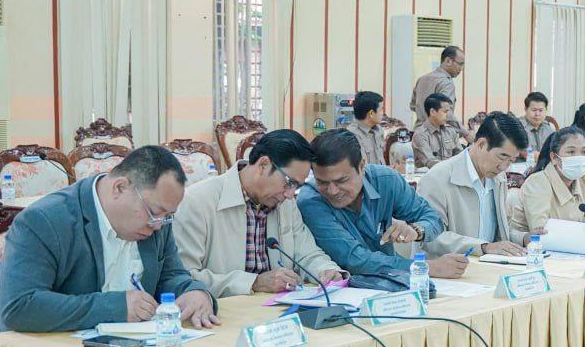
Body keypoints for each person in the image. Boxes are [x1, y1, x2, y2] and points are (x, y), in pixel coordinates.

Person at [0, 146, 218, 347]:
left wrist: (194, 291)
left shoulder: (155, 224)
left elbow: (170, 275)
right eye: (155, 213)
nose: (158, 225)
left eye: (167, 217)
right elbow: (19, 306)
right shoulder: (44, 220)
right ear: (120, 188)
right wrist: (115, 306)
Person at [174, 129, 345, 298]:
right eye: (289, 182)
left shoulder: (285, 203)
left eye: (297, 186)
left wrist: (326, 270)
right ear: (263, 165)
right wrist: (253, 282)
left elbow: (307, 253)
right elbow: (183, 277)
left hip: (278, 308)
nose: (290, 194)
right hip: (224, 310)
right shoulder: (197, 202)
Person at [298, 128, 466, 280]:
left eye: (341, 181)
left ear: (362, 166)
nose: (332, 191)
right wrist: (425, 267)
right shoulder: (311, 201)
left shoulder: (386, 181)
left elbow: (434, 219)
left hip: (394, 284)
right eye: (322, 182)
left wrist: (416, 230)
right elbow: (355, 260)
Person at [418, 111, 530, 256]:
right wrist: (483, 247)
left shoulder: (498, 178)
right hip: (447, 268)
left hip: (485, 265)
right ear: (481, 144)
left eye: (511, 161)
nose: (503, 167)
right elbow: (429, 236)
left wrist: (524, 238)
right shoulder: (437, 178)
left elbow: (496, 232)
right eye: (502, 157)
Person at [512, 126, 585, 236]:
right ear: (554, 158)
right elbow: (542, 232)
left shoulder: (582, 180)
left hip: (571, 244)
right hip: (527, 246)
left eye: (584, 152)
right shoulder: (538, 182)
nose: (578, 157)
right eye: (571, 152)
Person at [410, 45, 465, 126]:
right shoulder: (446, 83)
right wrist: (465, 131)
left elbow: (413, 106)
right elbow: (447, 114)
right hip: (437, 131)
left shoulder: (422, 79)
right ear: (448, 61)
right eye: (460, 64)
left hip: (419, 129)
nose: (461, 69)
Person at [411, 93, 465, 168]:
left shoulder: (450, 131)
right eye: (445, 112)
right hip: (430, 174)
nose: (448, 115)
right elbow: (431, 162)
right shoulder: (420, 135)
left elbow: (460, 156)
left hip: (451, 172)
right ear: (432, 112)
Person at [346, 90, 386, 166]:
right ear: (371, 113)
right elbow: (362, 168)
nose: (383, 113)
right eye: (381, 109)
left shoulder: (379, 130)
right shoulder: (352, 136)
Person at [520, 91, 555, 160]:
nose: (537, 114)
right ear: (525, 109)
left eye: (541, 110)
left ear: (546, 110)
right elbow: (523, 152)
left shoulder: (548, 128)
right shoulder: (517, 127)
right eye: (534, 110)